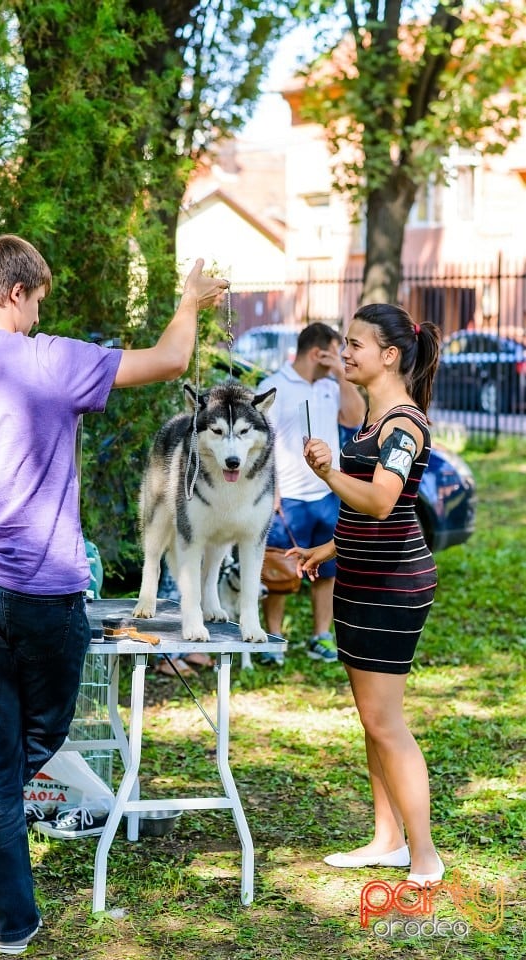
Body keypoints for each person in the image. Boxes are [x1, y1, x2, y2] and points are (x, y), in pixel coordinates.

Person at [0, 235, 228, 951]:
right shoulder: (50, 359)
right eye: (37, 300)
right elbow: (169, 361)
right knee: (29, 742)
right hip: (43, 594)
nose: (40, 315)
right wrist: (190, 303)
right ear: (14, 292)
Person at [289, 303, 443, 885]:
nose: (345, 353)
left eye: (356, 344)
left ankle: (424, 854)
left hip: (392, 587)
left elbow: (380, 500)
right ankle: (388, 839)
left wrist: (329, 474)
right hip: (361, 576)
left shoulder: (403, 425)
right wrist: (327, 550)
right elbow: (380, 515)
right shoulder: (376, 423)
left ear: (390, 355)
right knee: (371, 720)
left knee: (386, 723)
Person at [257, 322, 365, 665]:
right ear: (318, 351)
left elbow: (356, 417)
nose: (345, 356)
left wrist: (340, 375)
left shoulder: (332, 386)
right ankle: (273, 639)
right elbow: (260, 446)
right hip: (287, 497)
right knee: (280, 569)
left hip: (328, 495)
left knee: (328, 571)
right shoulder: (273, 386)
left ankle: (321, 636)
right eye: (338, 350)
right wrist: (269, 492)